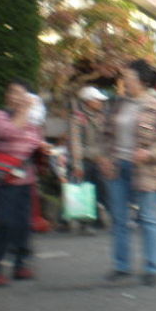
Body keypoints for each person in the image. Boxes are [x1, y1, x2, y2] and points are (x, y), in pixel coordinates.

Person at [99, 60, 156, 286]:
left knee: (148, 218)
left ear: (143, 82)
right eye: (124, 78)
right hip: (118, 167)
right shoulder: (117, 105)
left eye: (129, 79)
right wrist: (105, 157)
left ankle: (152, 267)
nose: (125, 82)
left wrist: (151, 153)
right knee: (118, 218)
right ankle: (121, 265)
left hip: (147, 170)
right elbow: (106, 135)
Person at [0, 79, 47, 286]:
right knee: (5, 222)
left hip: (26, 179)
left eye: (21, 93)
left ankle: (20, 264)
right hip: (3, 179)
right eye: (12, 92)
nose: (15, 96)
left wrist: (43, 149)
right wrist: (24, 111)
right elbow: (6, 132)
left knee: (23, 224)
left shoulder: (33, 123)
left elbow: (35, 144)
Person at [68, 86, 109, 234]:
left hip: (99, 159)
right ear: (88, 101)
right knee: (86, 192)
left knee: (100, 190)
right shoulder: (78, 118)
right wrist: (77, 164)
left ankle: (96, 219)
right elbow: (75, 142)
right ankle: (86, 223)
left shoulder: (101, 116)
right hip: (85, 159)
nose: (100, 102)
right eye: (97, 100)